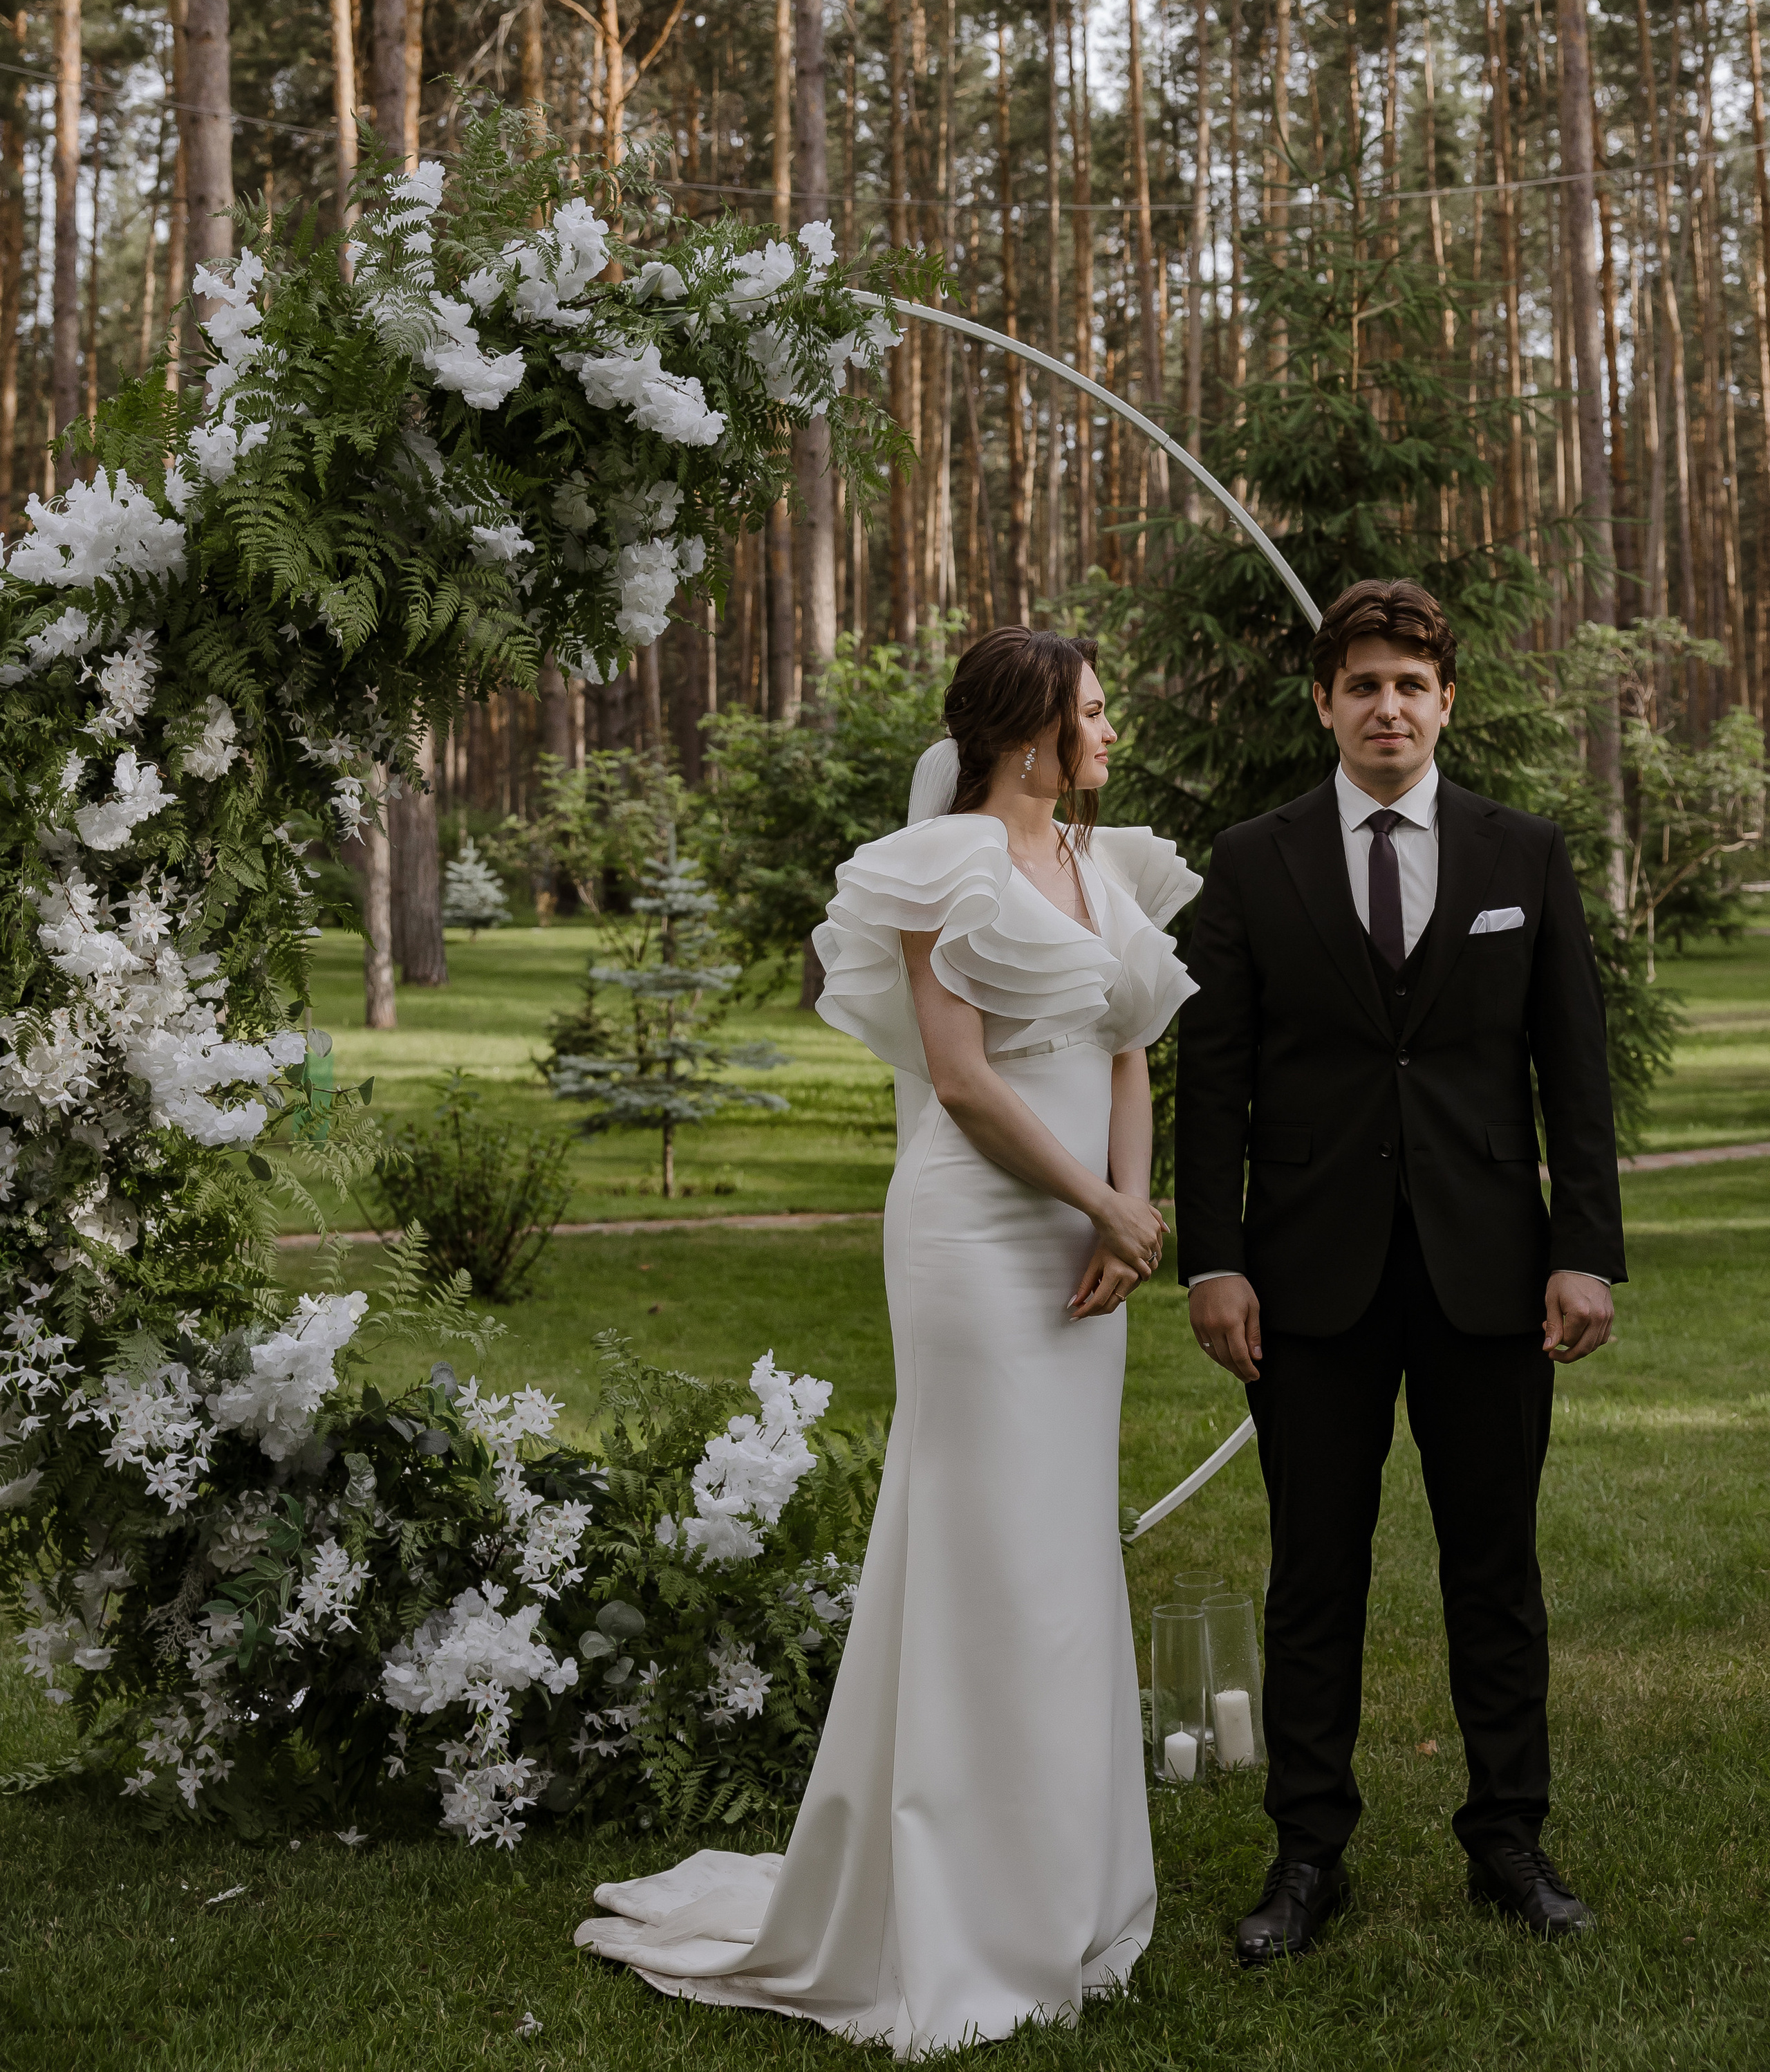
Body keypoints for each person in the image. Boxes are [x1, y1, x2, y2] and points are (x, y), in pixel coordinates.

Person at [575, 627, 1201, 2056]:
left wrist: (1128, 1210)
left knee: (1059, 1555)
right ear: (1029, 734)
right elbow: (968, 1084)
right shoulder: (943, 866)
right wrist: (1097, 1198)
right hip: (975, 1241)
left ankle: (1067, 1896)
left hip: (1079, 1238)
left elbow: (1126, 1048)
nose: (1112, 732)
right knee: (983, 1555)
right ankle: (952, 1909)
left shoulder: (1102, 865)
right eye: (1093, 713)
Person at [1174, 577, 1626, 1967]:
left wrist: (1583, 1252)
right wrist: (1213, 1261)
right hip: (1307, 1281)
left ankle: (1508, 1838)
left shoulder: (1520, 854)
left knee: (1492, 1569)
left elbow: (1572, 1070)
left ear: (1445, 704)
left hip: (1487, 1272)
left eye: (1408, 686)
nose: (1385, 707)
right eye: (1360, 684)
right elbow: (1215, 1081)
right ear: (1323, 703)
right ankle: (1308, 1851)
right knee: (1315, 1571)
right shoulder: (1251, 862)